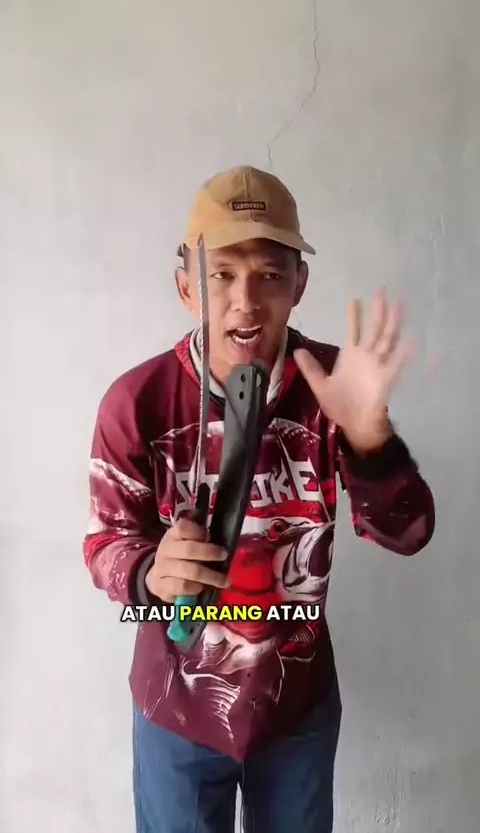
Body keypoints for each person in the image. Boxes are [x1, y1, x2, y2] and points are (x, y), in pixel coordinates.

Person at [83, 165, 435, 833]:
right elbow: (104, 542)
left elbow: (408, 532)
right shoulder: (136, 402)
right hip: (176, 706)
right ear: (186, 287)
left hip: (295, 708)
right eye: (221, 274)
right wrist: (149, 570)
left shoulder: (336, 386)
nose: (245, 301)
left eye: (270, 274)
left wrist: (373, 443)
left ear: (299, 284)